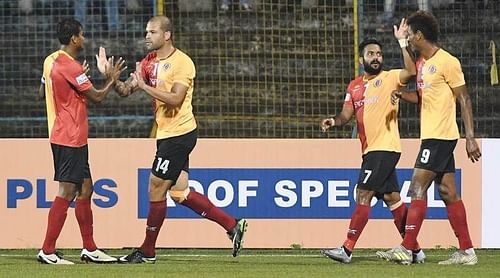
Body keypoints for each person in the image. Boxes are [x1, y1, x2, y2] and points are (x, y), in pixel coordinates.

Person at [106, 15, 248, 263]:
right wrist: (112, 78)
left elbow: (175, 99)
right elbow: (127, 91)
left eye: (152, 32)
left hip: (179, 134)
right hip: (166, 133)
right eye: (146, 32)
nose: (146, 36)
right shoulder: (149, 62)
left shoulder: (183, 63)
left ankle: (147, 251)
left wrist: (144, 86)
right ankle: (232, 225)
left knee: (155, 187)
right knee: (179, 193)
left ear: (167, 35)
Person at [376, 10, 481, 265]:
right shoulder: (422, 64)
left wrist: (470, 137)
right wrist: (401, 95)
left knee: (416, 187)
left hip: (441, 137)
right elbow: (423, 97)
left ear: (420, 35)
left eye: (410, 35)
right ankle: (467, 252)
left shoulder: (448, 62)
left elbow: (464, 99)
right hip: (432, 136)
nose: (409, 39)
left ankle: (407, 247)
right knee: (448, 191)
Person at [320, 19, 425, 264]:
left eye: (378, 53)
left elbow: (410, 71)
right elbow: (346, 115)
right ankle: (416, 250)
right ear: (361, 60)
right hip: (371, 151)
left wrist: (402, 42)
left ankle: (346, 249)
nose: (376, 57)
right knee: (392, 199)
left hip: (384, 149)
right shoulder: (354, 86)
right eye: (371, 54)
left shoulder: (389, 77)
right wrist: (333, 122)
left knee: (363, 193)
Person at [36, 18, 126, 265]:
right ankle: (47, 250)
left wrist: (73, 86)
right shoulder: (71, 67)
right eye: (82, 35)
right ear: (74, 38)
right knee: (67, 191)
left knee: (86, 188)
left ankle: (89, 248)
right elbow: (97, 97)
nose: (84, 39)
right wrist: (112, 77)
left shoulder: (50, 60)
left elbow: (41, 92)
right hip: (69, 137)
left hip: (68, 135)